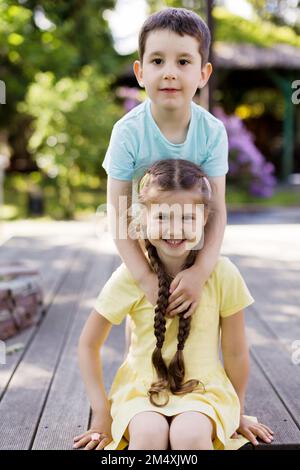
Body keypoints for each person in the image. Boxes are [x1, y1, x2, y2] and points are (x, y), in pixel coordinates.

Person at [73, 159, 274, 450]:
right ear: (143, 218)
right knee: (149, 435)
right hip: (141, 392)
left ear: (205, 218)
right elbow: (87, 345)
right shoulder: (130, 277)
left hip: (204, 392)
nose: (174, 229)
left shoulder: (222, 274)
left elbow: (235, 350)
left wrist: (237, 412)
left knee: (189, 436)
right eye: (163, 216)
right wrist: (101, 415)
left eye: (187, 218)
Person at [104, 7, 228, 324]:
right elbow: (117, 212)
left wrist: (200, 271)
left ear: (203, 74)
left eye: (183, 62)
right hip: (146, 244)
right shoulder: (127, 132)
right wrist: (144, 276)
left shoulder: (212, 132)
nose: (169, 72)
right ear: (140, 71)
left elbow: (216, 209)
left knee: (199, 319)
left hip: (191, 244)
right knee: (143, 322)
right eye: (157, 61)